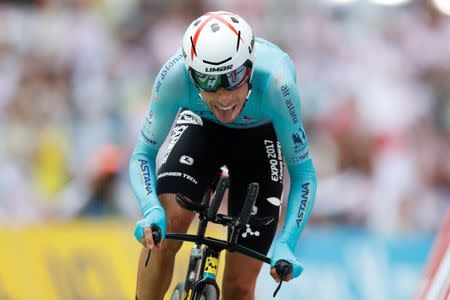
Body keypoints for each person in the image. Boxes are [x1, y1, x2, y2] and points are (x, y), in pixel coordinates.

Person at [129, 11, 317, 300]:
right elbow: (142, 154)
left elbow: (304, 175)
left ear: (251, 67)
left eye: (234, 77)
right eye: (209, 80)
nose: (224, 96)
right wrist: (151, 210)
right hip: (201, 127)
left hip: (259, 140)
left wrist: (287, 243)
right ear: (192, 74)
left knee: (239, 286)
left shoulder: (277, 83)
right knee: (164, 232)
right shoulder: (174, 76)